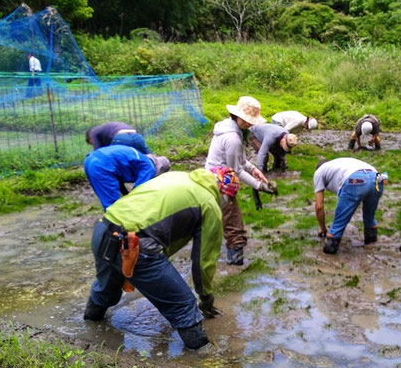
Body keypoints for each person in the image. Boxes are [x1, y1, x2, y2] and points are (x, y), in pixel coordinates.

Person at [83, 167, 237, 351]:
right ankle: (203, 357)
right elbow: (204, 261)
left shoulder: (178, 176)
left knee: (106, 290)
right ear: (224, 193)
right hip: (134, 246)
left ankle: (87, 333)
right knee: (183, 305)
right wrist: (206, 297)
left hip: (104, 229)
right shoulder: (209, 203)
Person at [205, 96, 276, 265]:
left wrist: (254, 170)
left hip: (212, 177)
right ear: (236, 115)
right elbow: (235, 170)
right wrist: (259, 186)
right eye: (245, 120)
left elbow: (242, 161)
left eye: (250, 120)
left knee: (213, 220)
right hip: (219, 183)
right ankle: (235, 267)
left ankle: (210, 251)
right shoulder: (233, 138)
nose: (248, 123)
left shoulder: (232, 129)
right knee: (234, 225)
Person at [313, 158, 386, 254]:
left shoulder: (319, 172)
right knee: (370, 217)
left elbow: (319, 206)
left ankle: (329, 254)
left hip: (355, 181)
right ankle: (371, 247)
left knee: (338, 225)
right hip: (377, 179)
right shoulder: (341, 163)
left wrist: (323, 228)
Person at [84, 145, 170, 210]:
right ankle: (116, 228)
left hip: (90, 160)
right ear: (159, 168)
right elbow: (139, 190)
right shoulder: (148, 167)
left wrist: (126, 195)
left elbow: (119, 180)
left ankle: (113, 224)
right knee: (112, 206)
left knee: (107, 200)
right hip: (103, 165)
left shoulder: (140, 158)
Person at [86, 122, 151, 155]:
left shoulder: (94, 132)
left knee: (115, 161)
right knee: (150, 158)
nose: (93, 144)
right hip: (137, 136)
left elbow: (98, 152)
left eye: (92, 143)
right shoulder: (105, 131)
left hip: (121, 138)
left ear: (90, 138)